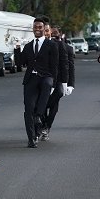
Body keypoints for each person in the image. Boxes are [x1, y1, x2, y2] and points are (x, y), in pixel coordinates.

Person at [15, 18, 58, 148]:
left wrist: (54, 84)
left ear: (44, 29)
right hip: (31, 79)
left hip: (46, 77)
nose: (37, 29)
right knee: (28, 109)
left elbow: (54, 66)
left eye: (40, 27)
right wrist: (17, 49)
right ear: (33, 29)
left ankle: (39, 116)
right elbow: (19, 63)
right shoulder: (28, 46)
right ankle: (31, 138)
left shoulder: (52, 45)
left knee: (45, 88)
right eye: (35, 27)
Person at [41, 24, 70, 141]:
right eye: (49, 32)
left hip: (57, 80)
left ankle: (47, 126)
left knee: (54, 104)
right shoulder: (39, 44)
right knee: (41, 105)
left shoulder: (60, 45)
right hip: (42, 79)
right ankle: (42, 126)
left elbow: (66, 65)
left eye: (54, 33)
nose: (51, 35)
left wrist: (66, 83)